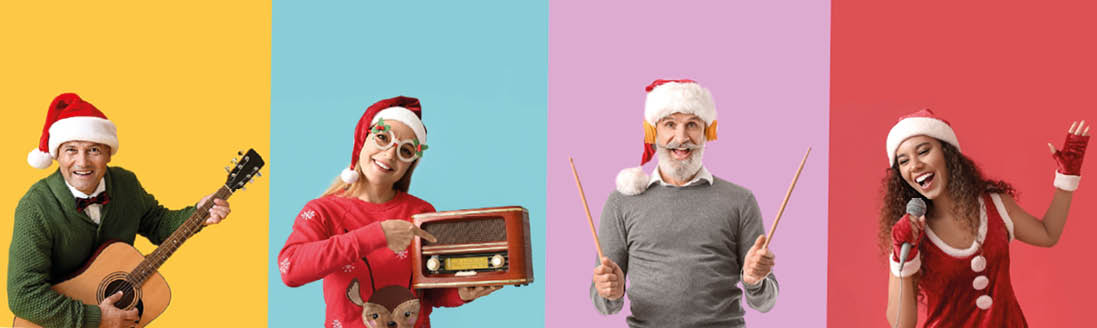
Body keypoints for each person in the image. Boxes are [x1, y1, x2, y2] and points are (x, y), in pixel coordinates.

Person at [8, 93, 231, 328]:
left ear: (108, 154)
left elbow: (158, 224)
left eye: (93, 150)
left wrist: (198, 213)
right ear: (57, 156)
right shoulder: (36, 207)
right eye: (71, 150)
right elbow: (23, 295)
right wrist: (95, 318)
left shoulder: (126, 185)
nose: (82, 162)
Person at [278, 96, 500, 328]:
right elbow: (290, 269)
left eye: (405, 150)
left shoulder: (420, 212)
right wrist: (376, 235)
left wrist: (462, 293)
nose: (390, 154)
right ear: (363, 138)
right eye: (382, 138)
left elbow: (431, 294)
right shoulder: (323, 211)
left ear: (410, 163)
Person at [590, 79, 779, 327]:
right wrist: (609, 292)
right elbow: (603, 302)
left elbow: (765, 301)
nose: (681, 138)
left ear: (706, 132)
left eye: (692, 124)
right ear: (654, 131)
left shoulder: (740, 201)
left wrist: (755, 280)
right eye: (670, 124)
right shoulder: (622, 202)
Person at [882, 109, 1089, 327]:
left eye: (923, 151)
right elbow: (901, 324)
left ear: (947, 152)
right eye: (903, 161)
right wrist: (901, 255)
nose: (914, 165)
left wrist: (1067, 177)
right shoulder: (911, 233)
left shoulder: (996, 206)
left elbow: (1048, 234)